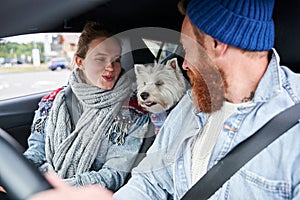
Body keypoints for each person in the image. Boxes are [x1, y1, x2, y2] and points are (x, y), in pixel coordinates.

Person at [30, 0, 300, 199]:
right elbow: (151, 182)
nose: (183, 65)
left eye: (187, 49)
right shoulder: (191, 105)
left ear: (217, 45)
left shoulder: (292, 128)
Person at [21, 21, 151, 192]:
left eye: (116, 60)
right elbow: (36, 152)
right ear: (80, 62)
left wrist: (59, 188)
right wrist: (21, 176)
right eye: (100, 59)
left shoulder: (132, 112)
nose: (110, 67)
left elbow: (114, 174)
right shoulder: (52, 102)